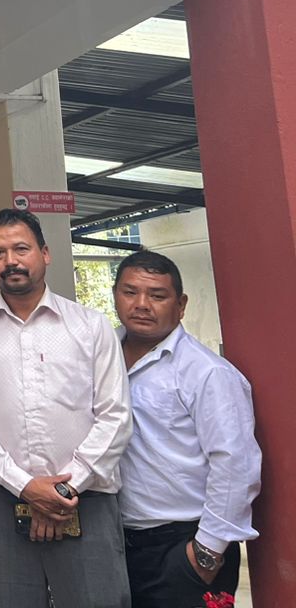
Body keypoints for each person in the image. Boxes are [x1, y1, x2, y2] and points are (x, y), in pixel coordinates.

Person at [0, 208, 132, 608]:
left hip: (86, 498)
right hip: (2, 498)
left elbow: (115, 416)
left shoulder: (90, 326)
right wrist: (26, 487)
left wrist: (63, 490)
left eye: (21, 249)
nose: (10, 261)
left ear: (45, 253)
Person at [112, 250, 260, 608]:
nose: (142, 304)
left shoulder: (207, 373)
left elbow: (235, 466)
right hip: (115, 542)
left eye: (157, 295)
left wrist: (206, 553)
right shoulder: (100, 359)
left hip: (185, 546)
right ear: (115, 295)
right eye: (130, 292)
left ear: (181, 305)